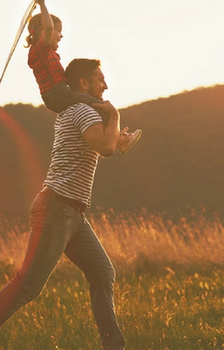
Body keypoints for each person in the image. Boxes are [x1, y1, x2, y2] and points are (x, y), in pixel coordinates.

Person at [0, 58, 126, 350]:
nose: (105, 84)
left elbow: (107, 143)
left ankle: (114, 346)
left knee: (102, 272)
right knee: (29, 284)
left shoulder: (80, 111)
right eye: (100, 79)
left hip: (72, 214)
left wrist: (117, 134)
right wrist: (116, 118)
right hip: (57, 209)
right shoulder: (81, 110)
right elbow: (106, 147)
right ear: (82, 83)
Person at [27, 0, 141, 154]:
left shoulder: (47, 52)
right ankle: (120, 141)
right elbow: (48, 27)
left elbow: (44, 27)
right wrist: (42, 5)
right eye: (58, 31)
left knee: (96, 104)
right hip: (57, 94)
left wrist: (32, 16)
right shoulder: (39, 51)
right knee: (99, 104)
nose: (61, 35)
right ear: (42, 31)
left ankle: (118, 139)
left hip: (59, 93)